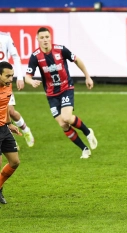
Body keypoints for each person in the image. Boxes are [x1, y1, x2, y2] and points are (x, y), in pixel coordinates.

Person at [24, 27, 97, 159]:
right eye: (42, 38)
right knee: (63, 124)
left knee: (67, 117)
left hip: (66, 88)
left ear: (50, 37)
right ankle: (84, 149)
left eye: (47, 37)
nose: (45, 40)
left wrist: (87, 76)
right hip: (51, 94)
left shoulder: (60, 49)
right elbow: (27, 76)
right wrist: (31, 82)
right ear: (37, 39)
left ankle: (88, 132)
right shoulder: (35, 56)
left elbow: (77, 60)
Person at [0, 31, 34, 148]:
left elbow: (15, 56)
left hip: (4, 80)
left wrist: (19, 77)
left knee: (10, 111)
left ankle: (25, 130)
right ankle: (9, 141)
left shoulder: (5, 37)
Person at [0, 61, 22, 204]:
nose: (10, 79)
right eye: (7, 76)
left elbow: (6, 106)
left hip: (3, 128)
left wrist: (9, 124)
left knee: (14, 162)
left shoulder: (8, 86)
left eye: (12, 76)